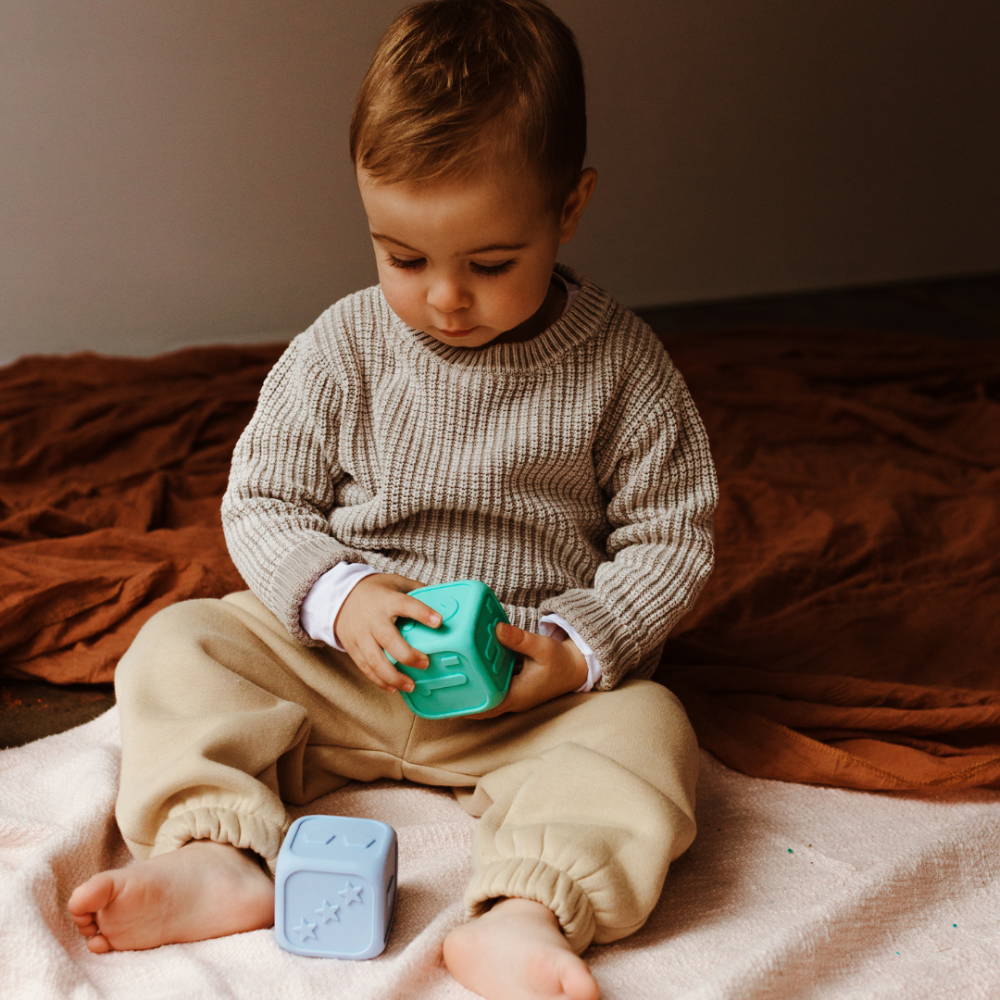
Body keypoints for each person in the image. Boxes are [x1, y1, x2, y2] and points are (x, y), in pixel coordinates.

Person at [68, 1, 718, 997]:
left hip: (518, 696)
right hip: (339, 670)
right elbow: (264, 502)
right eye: (403, 257)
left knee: (651, 732)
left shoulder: (621, 364)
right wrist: (338, 596)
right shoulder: (341, 347)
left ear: (569, 207)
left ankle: (524, 911)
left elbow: (672, 537)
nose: (444, 298)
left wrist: (581, 646)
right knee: (180, 644)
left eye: (489, 263)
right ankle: (222, 850)